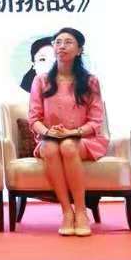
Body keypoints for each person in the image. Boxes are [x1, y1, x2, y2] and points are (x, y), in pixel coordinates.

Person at [27, 26, 108, 237]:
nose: (61, 46)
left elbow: (96, 121)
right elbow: (34, 119)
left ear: (79, 50)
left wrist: (73, 132)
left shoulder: (90, 81)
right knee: (51, 148)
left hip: (84, 139)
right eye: (58, 42)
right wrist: (48, 132)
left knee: (69, 146)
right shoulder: (41, 80)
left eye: (68, 42)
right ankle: (66, 211)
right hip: (50, 138)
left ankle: (81, 212)